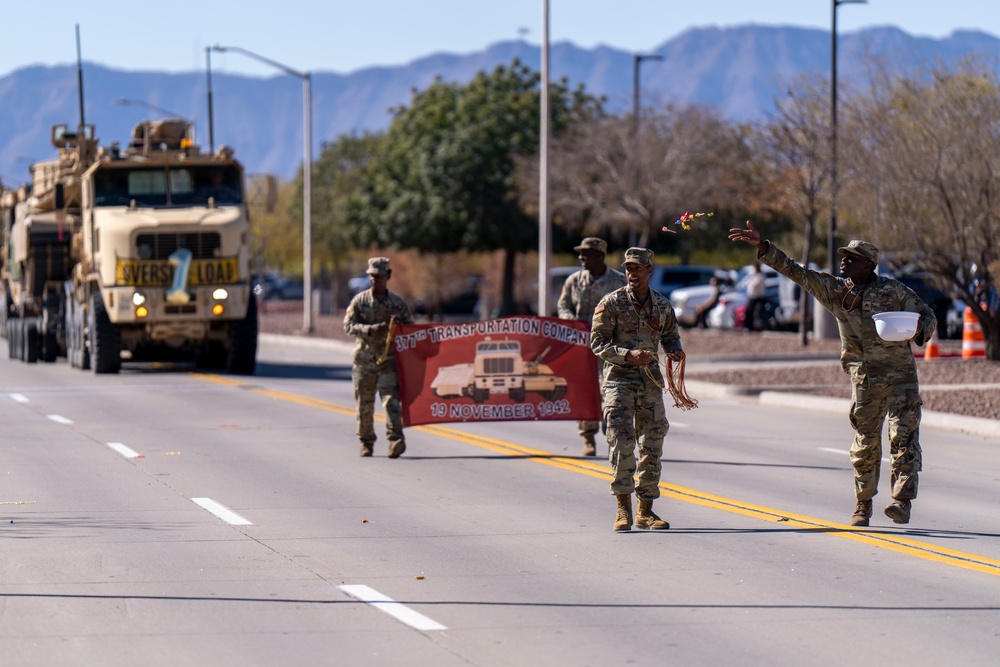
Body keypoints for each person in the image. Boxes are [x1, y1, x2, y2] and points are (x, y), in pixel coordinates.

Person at [729, 222, 937, 526]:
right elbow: (797, 272)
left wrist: (920, 328)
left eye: (851, 258)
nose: (844, 262)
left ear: (868, 265)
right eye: (844, 257)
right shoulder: (837, 291)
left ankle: (901, 502)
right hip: (865, 381)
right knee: (865, 444)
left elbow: (927, 314)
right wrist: (764, 248)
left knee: (903, 438)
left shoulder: (893, 291)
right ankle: (863, 505)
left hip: (900, 377)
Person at [591, 247, 685, 532]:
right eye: (629, 268)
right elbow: (597, 342)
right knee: (621, 444)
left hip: (650, 383)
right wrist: (627, 355)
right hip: (619, 381)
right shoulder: (611, 303)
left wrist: (675, 351)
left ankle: (646, 511)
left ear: (649, 271)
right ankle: (623, 509)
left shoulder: (661, 305)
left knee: (652, 444)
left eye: (637, 268)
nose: (632, 273)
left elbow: (671, 336)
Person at [558, 237, 627, 456]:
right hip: (581, 347)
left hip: (608, 347)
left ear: (599, 255)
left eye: (586, 254)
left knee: (610, 392)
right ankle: (588, 438)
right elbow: (563, 305)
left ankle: (610, 434)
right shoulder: (574, 281)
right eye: (580, 254)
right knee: (584, 392)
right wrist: (571, 321)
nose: (581, 258)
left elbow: (626, 310)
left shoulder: (618, 282)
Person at [344, 257, 415, 458]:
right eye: (372, 276)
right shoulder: (360, 301)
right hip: (364, 361)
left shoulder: (397, 304)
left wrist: (401, 325)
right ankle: (366, 442)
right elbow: (348, 326)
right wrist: (369, 329)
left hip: (388, 361)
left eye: (379, 276)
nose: (375, 280)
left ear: (388, 276)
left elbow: (411, 330)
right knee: (364, 404)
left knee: (391, 401)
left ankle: (395, 440)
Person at [743, 264, 768, 331]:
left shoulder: (761, 276)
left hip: (758, 297)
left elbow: (755, 285)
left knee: (754, 312)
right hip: (752, 296)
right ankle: (748, 326)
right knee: (748, 312)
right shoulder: (754, 276)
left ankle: (753, 327)